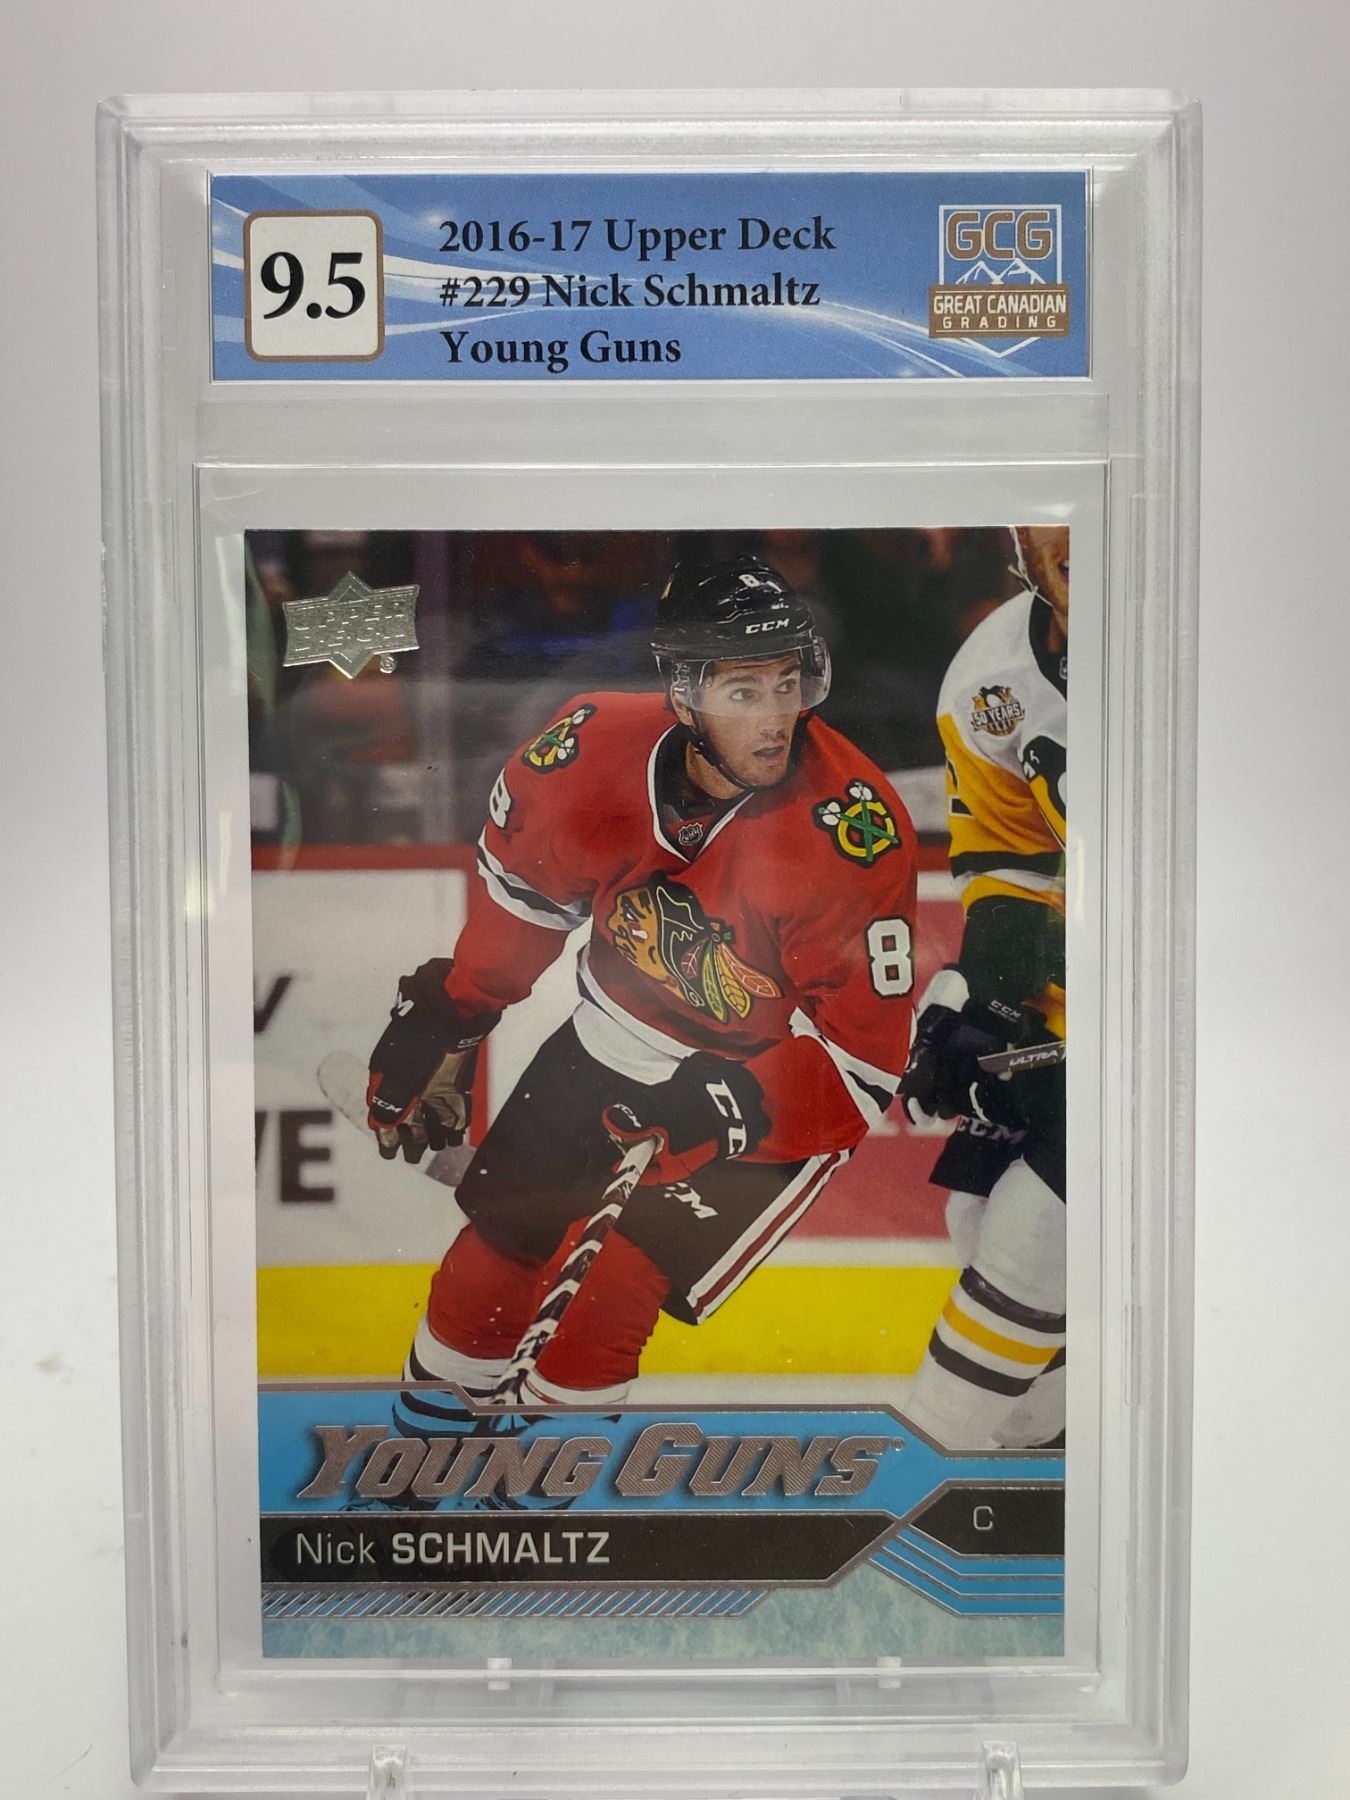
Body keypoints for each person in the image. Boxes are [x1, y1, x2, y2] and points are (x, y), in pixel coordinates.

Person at [364, 556, 917, 1419]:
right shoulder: (589, 747)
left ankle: (564, 1489)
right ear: (684, 692)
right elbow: (526, 903)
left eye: (788, 684)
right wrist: (453, 1015)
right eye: (744, 692)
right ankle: (419, 1466)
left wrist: (722, 1107)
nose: (776, 718)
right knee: (488, 1265)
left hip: (763, 1092)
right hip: (605, 1040)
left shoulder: (850, 831)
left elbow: (863, 1066)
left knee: (603, 1307)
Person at [899, 526, 1069, 1451]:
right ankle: (1054, 1436)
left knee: (1040, 1235)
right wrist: (992, 999)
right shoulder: (994, 677)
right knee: (979, 1208)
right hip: (1103, 981)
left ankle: (921, 1464)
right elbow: (1010, 859)